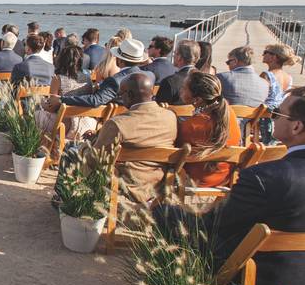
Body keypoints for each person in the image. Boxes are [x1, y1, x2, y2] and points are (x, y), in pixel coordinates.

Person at [155, 87, 305, 285]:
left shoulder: (264, 177)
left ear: (297, 126)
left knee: (165, 217)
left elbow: (213, 228)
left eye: (278, 113)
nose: (273, 117)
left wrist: (164, 212)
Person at [91, 72, 178, 203]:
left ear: (130, 95)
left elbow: (94, 159)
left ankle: (66, 203)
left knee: (73, 152)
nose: (120, 98)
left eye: (120, 94)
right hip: (158, 184)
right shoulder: (171, 117)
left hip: (126, 186)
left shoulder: (118, 123)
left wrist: (86, 146)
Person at [43, 38, 155, 111]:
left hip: (119, 120)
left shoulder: (115, 81)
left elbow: (95, 101)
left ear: (120, 61)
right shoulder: (150, 76)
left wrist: (62, 99)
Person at [174, 71, 241, 188]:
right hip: (224, 178)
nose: (181, 90)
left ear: (198, 100)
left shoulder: (191, 126)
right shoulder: (230, 114)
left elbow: (175, 151)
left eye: (184, 88)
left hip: (196, 181)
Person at [259, 43, 299, 143]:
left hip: (265, 115)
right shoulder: (288, 77)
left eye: (265, 53)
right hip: (279, 116)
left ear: (274, 57)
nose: (263, 55)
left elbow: (258, 97)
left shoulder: (266, 75)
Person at [154, 40, 200, 105]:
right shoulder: (203, 80)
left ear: (179, 57)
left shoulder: (169, 82)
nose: (173, 56)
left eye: (174, 53)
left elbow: (158, 109)